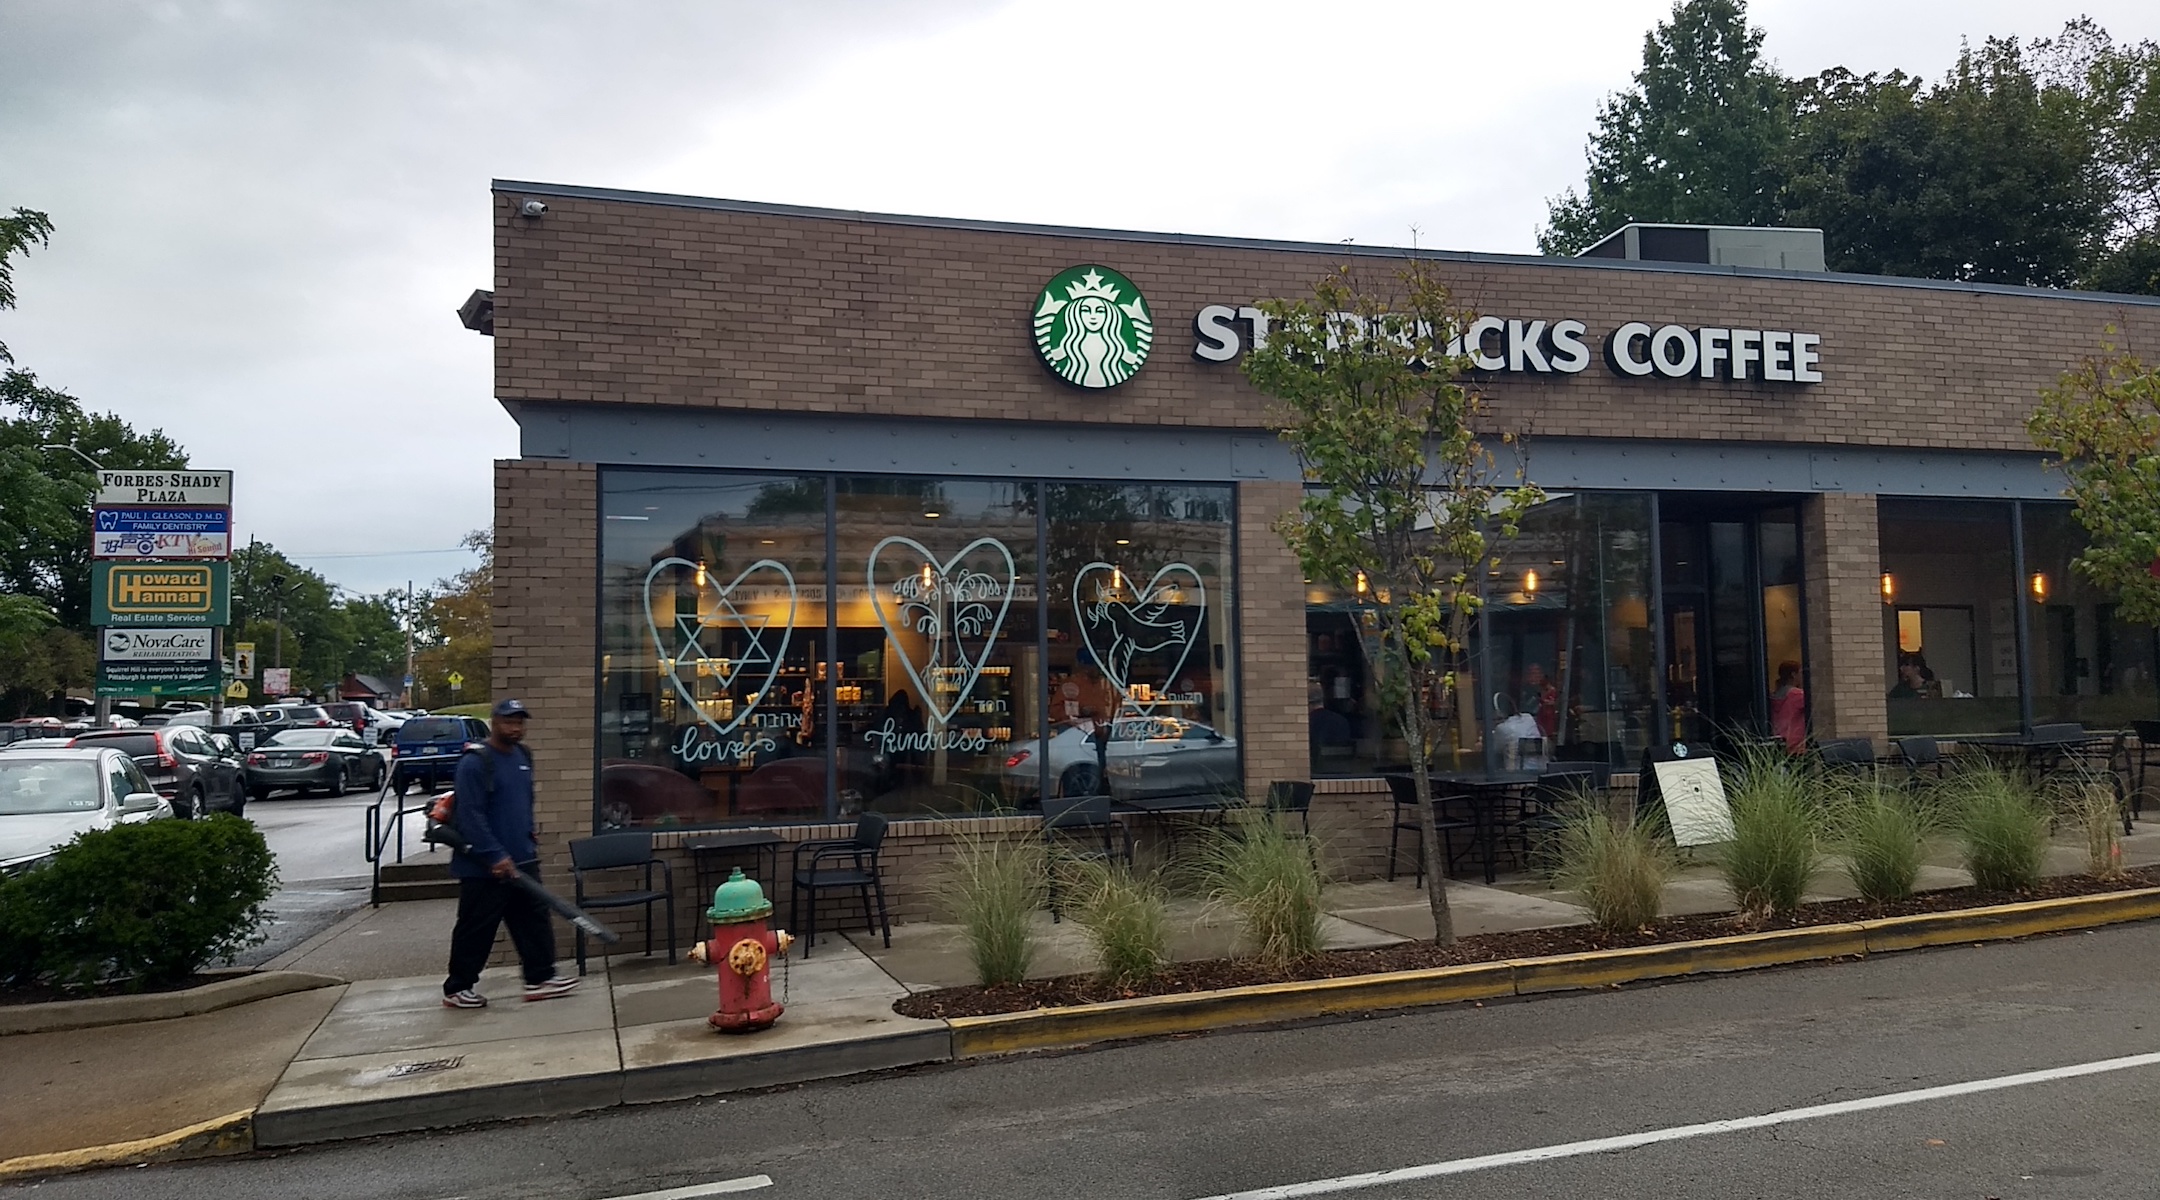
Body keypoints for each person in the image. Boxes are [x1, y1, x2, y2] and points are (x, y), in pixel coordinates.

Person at [442, 699, 578, 1009]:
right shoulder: (476, 762)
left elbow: (522, 803)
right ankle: (458, 988)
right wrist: (494, 855)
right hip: (483, 866)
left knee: (534, 920)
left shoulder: (523, 756)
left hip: (522, 859)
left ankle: (540, 979)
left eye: (519, 722)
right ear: (494, 722)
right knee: (476, 927)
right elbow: (471, 816)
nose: (515, 728)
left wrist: (529, 839)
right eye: (508, 722)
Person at [1769, 660, 1807, 753]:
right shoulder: (1798, 695)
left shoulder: (1773, 696)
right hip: (1797, 747)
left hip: (1779, 743)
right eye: (1801, 673)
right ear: (1794, 674)